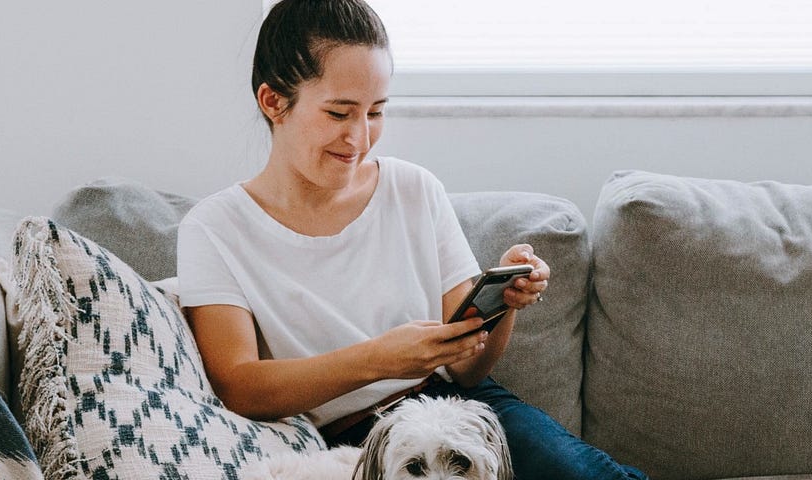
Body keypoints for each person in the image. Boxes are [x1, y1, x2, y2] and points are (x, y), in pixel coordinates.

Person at [176, 1, 647, 478]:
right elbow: (240, 387)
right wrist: (381, 359)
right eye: (340, 113)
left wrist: (502, 304)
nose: (359, 138)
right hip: (354, 438)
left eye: (376, 112)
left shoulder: (414, 189)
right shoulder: (215, 229)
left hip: (458, 407)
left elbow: (469, 370)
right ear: (274, 101)